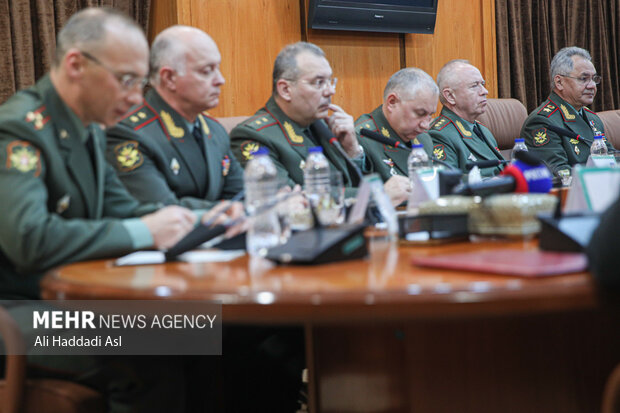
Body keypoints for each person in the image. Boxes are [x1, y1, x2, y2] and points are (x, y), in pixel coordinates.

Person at [0, 8, 229, 412]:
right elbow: (29, 240)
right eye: (125, 80)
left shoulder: (86, 126)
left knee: (213, 332)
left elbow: (126, 209)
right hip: (20, 316)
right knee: (159, 345)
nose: (136, 97)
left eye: (139, 82)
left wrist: (203, 219)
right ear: (76, 65)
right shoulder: (20, 129)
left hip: (68, 305)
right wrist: (145, 232)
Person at [230, 41, 409, 205]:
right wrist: (377, 194)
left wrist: (352, 151)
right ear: (285, 90)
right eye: (319, 82)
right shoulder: (254, 136)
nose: (330, 90)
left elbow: (349, 184)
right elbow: (291, 201)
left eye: (330, 81)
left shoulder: (321, 126)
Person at [106, 25, 244, 211]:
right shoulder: (128, 132)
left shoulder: (214, 130)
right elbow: (161, 209)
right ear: (169, 78)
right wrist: (224, 211)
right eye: (206, 71)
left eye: (217, 68)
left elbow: (242, 194)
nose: (220, 80)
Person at [521, 46, 613, 181]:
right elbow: (560, 173)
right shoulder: (542, 122)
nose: (592, 85)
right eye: (584, 79)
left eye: (594, 79)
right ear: (559, 82)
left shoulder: (593, 119)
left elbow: (612, 158)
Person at [355, 67, 438, 182]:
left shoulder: (424, 139)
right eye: (420, 113)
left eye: (430, 115)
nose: (426, 125)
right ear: (392, 102)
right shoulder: (361, 139)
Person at [429, 59, 505, 177]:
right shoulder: (440, 135)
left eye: (482, 84)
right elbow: (447, 182)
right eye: (474, 86)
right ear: (450, 96)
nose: (485, 91)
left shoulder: (482, 129)